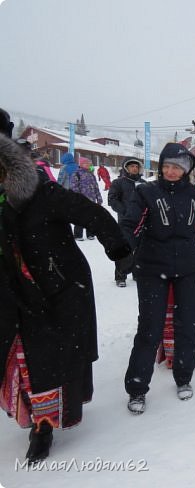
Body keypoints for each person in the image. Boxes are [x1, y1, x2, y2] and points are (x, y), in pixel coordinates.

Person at [0, 133, 131, 463]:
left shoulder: (44, 194)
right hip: (13, 294)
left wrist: (117, 247)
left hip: (58, 290)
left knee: (49, 362)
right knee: (20, 359)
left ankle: (43, 427)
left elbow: (92, 214)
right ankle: (34, 415)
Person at [121, 143, 195, 414]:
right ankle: (137, 387)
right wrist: (122, 249)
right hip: (151, 267)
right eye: (167, 166)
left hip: (190, 267)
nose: (171, 171)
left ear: (186, 170)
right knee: (150, 328)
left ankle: (184, 377)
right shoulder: (145, 192)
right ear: (160, 167)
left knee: (188, 325)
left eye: (177, 167)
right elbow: (130, 224)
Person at [107, 157, 146, 287]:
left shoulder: (144, 183)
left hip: (142, 222)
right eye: (131, 166)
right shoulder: (119, 182)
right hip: (125, 222)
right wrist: (125, 211)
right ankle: (120, 276)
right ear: (126, 168)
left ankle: (137, 273)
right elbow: (112, 199)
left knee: (141, 249)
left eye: (136, 166)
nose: (134, 168)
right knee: (125, 249)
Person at [70, 156, 103, 241]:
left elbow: (96, 187)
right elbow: (74, 188)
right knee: (80, 218)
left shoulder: (91, 174)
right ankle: (78, 235)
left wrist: (99, 198)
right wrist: (78, 198)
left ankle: (90, 234)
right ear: (81, 164)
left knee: (91, 218)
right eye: (86, 163)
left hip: (92, 201)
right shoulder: (76, 174)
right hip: (81, 201)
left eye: (89, 163)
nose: (88, 164)